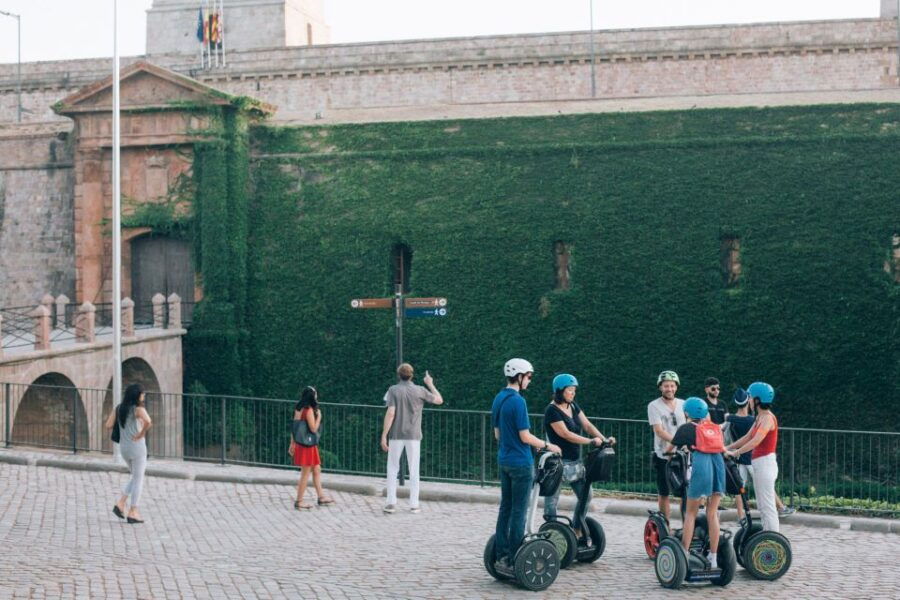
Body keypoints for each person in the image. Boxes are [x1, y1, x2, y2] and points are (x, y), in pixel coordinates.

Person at [492, 358, 561, 576]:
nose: (529, 381)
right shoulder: (518, 401)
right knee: (519, 512)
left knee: (506, 508)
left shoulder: (499, 398)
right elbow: (525, 435)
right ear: (520, 377)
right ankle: (514, 558)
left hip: (504, 461)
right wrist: (549, 445)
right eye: (529, 377)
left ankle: (501, 554)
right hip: (521, 463)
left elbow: (497, 434)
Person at [542, 373, 615, 540]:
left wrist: (604, 440)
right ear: (559, 391)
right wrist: (590, 441)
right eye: (569, 390)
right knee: (551, 503)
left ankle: (576, 528)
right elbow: (565, 434)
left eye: (574, 390)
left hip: (574, 462)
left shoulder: (573, 406)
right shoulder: (551, 411)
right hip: (556, 463)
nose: (573, 393)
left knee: (586, 496)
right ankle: (552, 536)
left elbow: (587, 424)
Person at [667, 397, 727, 569]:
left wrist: (670, 453)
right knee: (712, 513)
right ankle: (714, 558)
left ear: (687, 413)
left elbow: (669, 449)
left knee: (691, 513)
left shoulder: (685, 428)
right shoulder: (715, 428)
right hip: (718, 467)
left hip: (701, 467)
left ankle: (684, 555)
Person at [380, 363, 443, 514]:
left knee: (392, 468)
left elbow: (391, 413)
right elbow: (439, 400)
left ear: (398, 375)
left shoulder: (393, 390)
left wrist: (384, 435)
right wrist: (430, 384)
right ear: (412, 375)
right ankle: (414, 504)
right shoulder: (420, 390)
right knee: (414, 470)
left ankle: (391, 503)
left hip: (396, 434)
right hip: (414, 435)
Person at [726, 381, 782, 531]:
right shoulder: (759, 417)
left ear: (757, 400)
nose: (748, 401)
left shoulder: (768, 418)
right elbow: (748, 437)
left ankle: (773, 539)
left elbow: (756, 440)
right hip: (759, 464)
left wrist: (736, 453)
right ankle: (767, 535)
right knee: (762, 505)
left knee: (768, 506)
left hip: (765, 464)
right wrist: (727, 448)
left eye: (750, 397)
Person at [104, 383, 152, 524]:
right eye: (142, 394)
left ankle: (121, 504)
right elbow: (149, 421)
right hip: (137, 448)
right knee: (138, 480)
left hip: (124, 449)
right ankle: (133, 511)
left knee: (136, 477)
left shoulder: (119, 408)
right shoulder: (138, 410)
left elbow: (108, 425)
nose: (143, 396)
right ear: (137, 395)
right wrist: (141, 433)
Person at [647, 370, 685, 522]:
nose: (669, 389)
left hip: (682, 454)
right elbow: (658, 430)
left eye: (672, 386)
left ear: (676, 387)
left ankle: (686, 524)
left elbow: (689, 423)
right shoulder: (654, 406)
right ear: (660, 387)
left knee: (685, 491)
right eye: (666, 386)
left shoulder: (683, 404)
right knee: (664, 491)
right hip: (663, 454)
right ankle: (665, 524)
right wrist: (678, 440)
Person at [289, 386, 335, 509]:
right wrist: (319, 417)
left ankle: (321, 497)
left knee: (316, 469)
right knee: (306, 473)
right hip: (307, 446)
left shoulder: (298, 409)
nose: (317, 397)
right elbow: (313, 428)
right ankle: (299, 501)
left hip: (301, 443)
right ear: (312, 397)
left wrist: (292, 443)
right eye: (315, 395)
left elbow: (294, 428)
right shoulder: (308, 410)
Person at [724, 387, 755, 520]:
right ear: (747, 401)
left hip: (737, 456)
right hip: (751, 456)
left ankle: (741, 515)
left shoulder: (729, 418)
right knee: (762, 484)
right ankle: (780, 507)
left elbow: (723, 429)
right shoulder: (753, 420)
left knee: (739, 488)